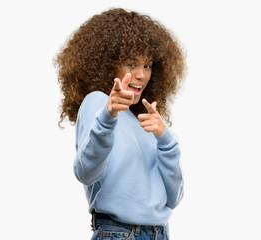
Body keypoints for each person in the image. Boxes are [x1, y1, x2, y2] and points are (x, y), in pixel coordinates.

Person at [54, 7, 186, 240]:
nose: (142, 75)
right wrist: (108, 116)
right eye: (131, 64)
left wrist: (166, 140)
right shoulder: (99, 103)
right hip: (120, 234)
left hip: (160, 233)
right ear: (107, 64)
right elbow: (85, 171)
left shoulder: (144, 121)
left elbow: (174, 198)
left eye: (147, 65)